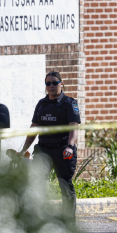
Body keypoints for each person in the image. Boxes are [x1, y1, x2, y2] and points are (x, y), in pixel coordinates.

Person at [18, 71, 81, 220]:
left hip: (63, 150)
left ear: (61, 83)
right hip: (44, 150)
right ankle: (37, 219)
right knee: (36, 182)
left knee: (65, 185)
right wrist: (23, 150)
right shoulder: (42, 104)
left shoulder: (69, 103)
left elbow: (73, 127)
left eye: (54, 82)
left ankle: (69, 222)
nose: (51, 86)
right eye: (48, 83)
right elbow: (34, 128)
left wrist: (69, 146)